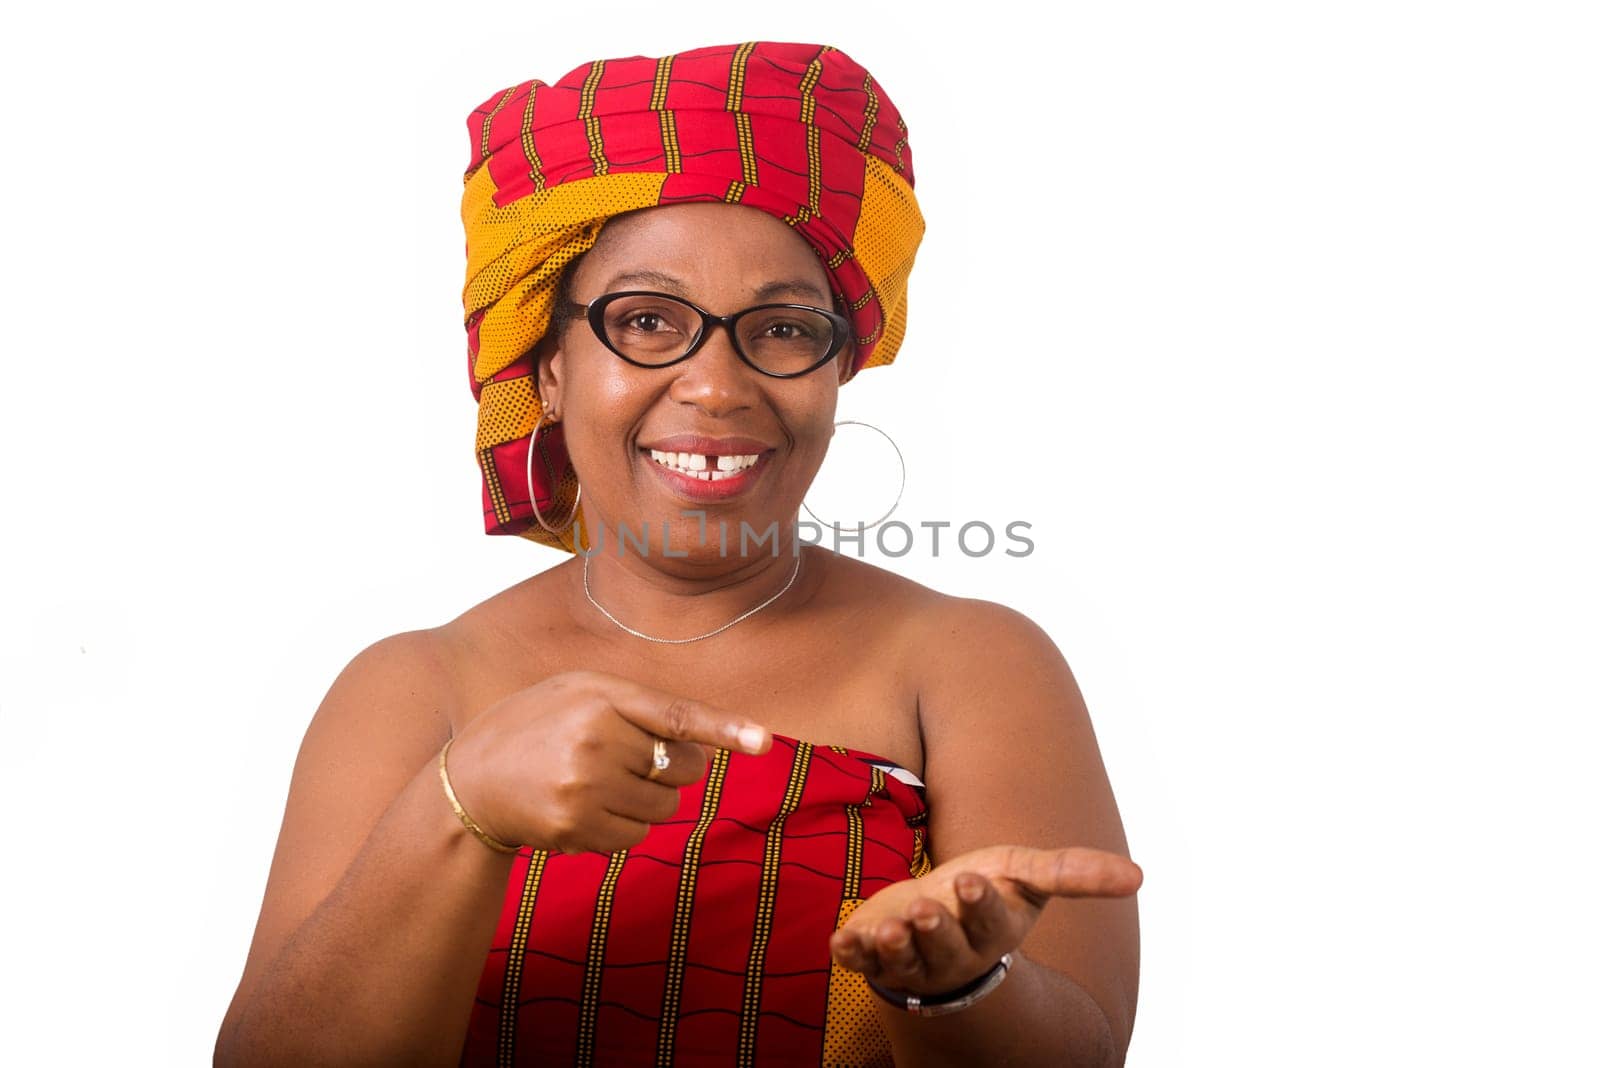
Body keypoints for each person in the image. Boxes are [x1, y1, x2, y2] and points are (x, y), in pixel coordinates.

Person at [215, 41, 1142, 1067]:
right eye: (646, 320)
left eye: (782, 329)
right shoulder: (414, 687)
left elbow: (1083, 1053)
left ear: (836, 367)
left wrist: (957, 985)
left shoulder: (969, 662)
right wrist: (458, 809)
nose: (715, 384)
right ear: (551, 369)